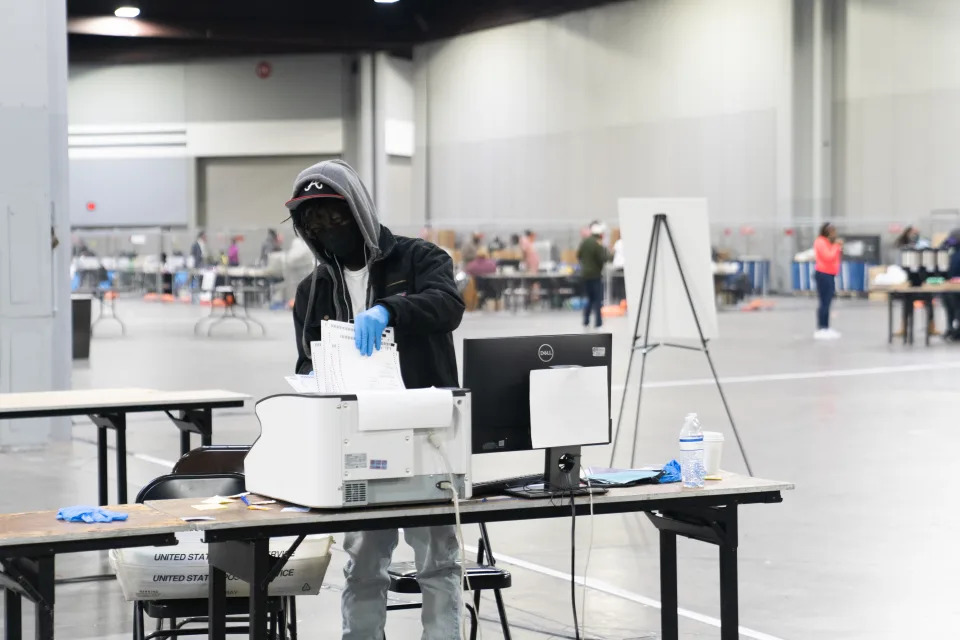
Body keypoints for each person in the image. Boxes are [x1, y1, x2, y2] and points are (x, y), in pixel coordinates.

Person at [287, 159, 464, 640]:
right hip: (358, 445)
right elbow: (306, 361)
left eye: (336, 219)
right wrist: (312, 381)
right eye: (316, 225)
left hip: (427, 439)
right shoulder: (314, 291)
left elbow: (448, 306)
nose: (329, 232)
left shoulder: (420, 259)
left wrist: (390, 310)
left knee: (439, 565)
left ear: (358, 212)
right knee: (364, 566)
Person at [578, 221, 611, 329]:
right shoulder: (597, 244)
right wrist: (610, 255)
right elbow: (602, 258)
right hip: (595, 275)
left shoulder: (584, 242)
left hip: (585, 275)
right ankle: (598, 322)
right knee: (597, 300)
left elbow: (578, 255)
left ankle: (586, 320)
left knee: (590, 299)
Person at [814, 222, 843, 339]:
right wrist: (836, 246)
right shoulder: (820, 241)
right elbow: (828, 257)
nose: (834, 234)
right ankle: (822, 328)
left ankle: (826, 327)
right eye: (832, 231)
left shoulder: (827, 242)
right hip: (823, 274)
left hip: (830, 274)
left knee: (828, 302)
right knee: (824, 302)